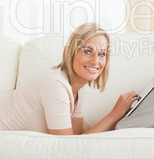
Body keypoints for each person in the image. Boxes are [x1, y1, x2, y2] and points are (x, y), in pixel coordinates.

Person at [0, 23, 140, 135]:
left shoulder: (79, 87)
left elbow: (75, 139)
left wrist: (119, 119)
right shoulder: (55, 85)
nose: (95, 61)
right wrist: (115, 114)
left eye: (101, 54)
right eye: (87, 51)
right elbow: (67, 147)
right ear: (72, 52)